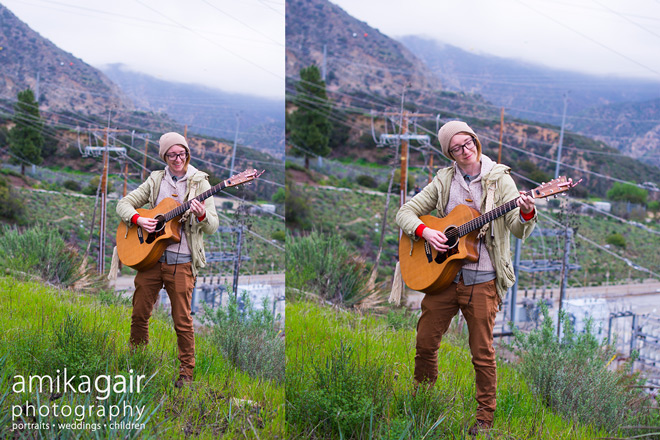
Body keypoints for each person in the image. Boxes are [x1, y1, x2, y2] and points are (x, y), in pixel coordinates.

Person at [395, 120, 537, 436]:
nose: (465, 150)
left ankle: (484, 421)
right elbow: (404, 212)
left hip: (483, 280)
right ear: (450, 154)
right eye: (456, 148)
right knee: (425, 341)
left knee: (482, 353)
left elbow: (518, 228)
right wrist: (426, 232)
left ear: (475, 141)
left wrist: (526, 211)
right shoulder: (444, 181)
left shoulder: (501, 180)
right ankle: (422, 400)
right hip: (444, 278)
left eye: (468, 142)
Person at [116, 132, 219, 388]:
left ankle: (186, 375)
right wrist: (139, 220)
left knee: (182, 321)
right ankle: (137, 361)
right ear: (164, 156)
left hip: (182, 262)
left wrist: (203, 215)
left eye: (182, 153)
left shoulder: (200, 184)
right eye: (172, 155)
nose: (178, 159)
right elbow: (124, 204)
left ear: (187, 154)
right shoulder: (156, 179)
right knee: (139, 314)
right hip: (150, 260)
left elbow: (213, 226)